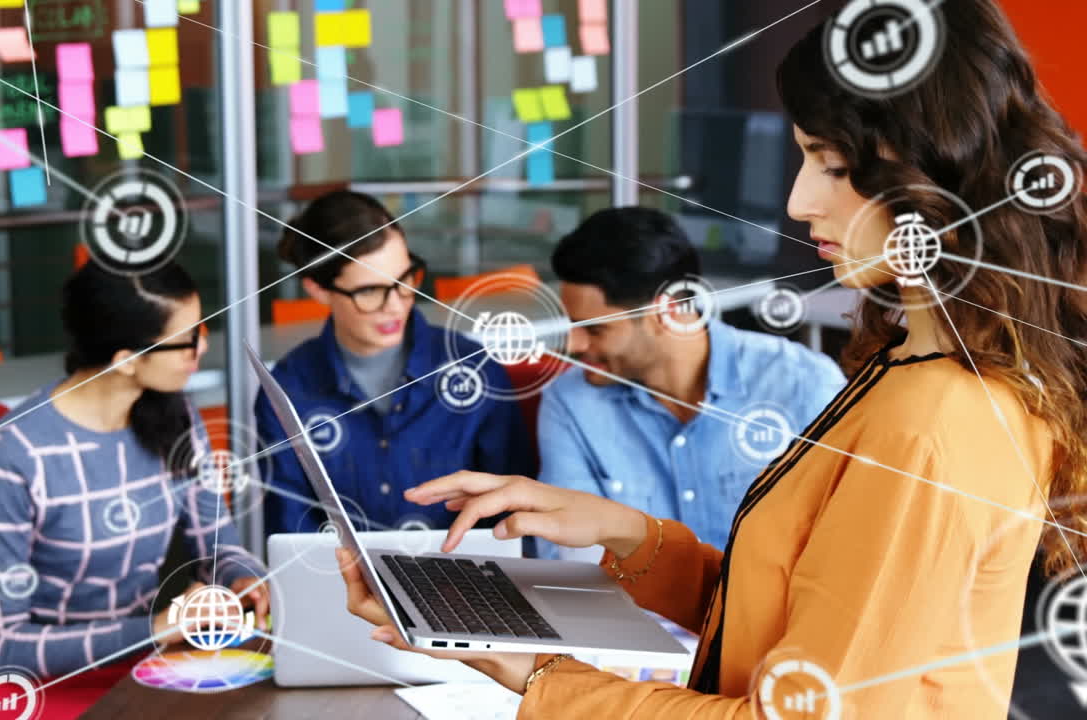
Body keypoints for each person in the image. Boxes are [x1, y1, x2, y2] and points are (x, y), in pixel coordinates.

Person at [339, 1, 1087, 717]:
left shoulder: (935, 423)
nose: (797, 201)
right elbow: (780, 621)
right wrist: (625, 532)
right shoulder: (905, 369)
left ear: (926, 170)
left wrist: (535, 674)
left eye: (827, 164)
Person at [0, 262, 269, 719]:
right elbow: (1, 643)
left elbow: (217, 548)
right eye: (186, 341)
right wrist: (158, 628)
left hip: (140, 665)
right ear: (126, 359)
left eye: (202, 330)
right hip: (30, 685)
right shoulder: (14, 453)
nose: (201, 348)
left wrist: (243, 578)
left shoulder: (177, 417)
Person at [535, 207, 845, 557]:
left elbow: (842, 545)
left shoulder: (803, 385)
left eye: (595, 329)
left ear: (665, 312)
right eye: (572, 325)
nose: (574, 346)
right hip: (625, 611)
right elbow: (566, 556)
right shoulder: (571, 402)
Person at [257, 190, 534, 537]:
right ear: (318, 290)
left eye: (404, 281)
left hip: (465, 579)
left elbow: (515, 513)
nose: (395, 305)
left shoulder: (474, 368)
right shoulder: (288, 390)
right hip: (339, 585)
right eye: (370, 291)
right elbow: (292, 533)